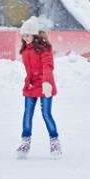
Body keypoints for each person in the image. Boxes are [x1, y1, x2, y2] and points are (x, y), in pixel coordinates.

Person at [16, 17, 62, 159]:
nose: (25, 38)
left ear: (34, 34)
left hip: (44, 84)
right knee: (27, 114)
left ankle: (55, 143)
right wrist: (28, 82)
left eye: (27, 35)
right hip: (31, 85)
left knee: (46, 114)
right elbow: (29, 70)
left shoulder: (44, 48)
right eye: (23, 35)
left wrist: (46, 82)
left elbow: (47, 66)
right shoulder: (24, 50)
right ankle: (25, 143)